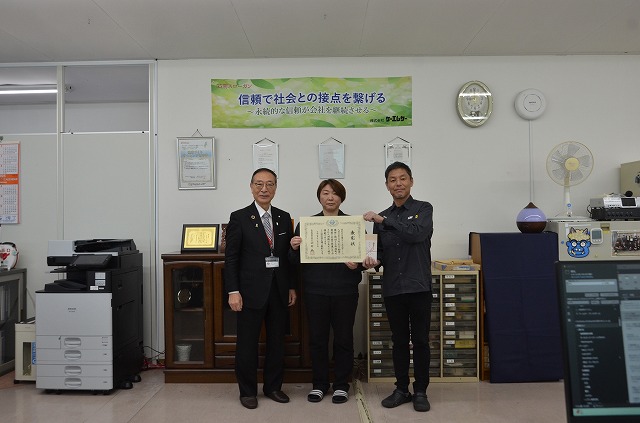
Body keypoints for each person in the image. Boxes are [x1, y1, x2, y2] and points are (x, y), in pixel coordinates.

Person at [362, 161, 434, 413]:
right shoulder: (381, 219)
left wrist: (384, 220)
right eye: (392, 180)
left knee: (421, 341)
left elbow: (416, 234)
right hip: (393, 287)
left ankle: (421, 390)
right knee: (399, 341)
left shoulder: (423, 209)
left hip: (419, 285)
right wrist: (369, 261)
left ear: (411, 181)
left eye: (403, 178)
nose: (398, 184)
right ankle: (401, 389)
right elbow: (379, 253)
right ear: (387, 185)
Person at [224, 168, 297, 410]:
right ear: (251, 187)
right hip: (249, 292)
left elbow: (287, 257)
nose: (264, 189)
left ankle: (273, 387)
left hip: (278, 290)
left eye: (269, 184)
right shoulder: (239, 217)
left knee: (277, 343)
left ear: (276, 187)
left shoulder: (284, 217)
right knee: (247, 344)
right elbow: (231, 258)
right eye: (259, 184)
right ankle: (247, 391)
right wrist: (233, 291)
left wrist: (291, 286)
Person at [289, 179, 362, 404]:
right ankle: (319, 384)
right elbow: (294, 261)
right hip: (315, 291)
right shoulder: (307, 225)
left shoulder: (353, 224)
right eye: (325, 193)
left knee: (343, 339)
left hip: (345, 291)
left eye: (335, 193)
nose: (330, 197)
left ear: (341, 197)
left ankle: (341, 385)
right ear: (319, 197)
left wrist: (358, 264)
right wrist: (293, 248)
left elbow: (365, 258)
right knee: (317, 339)